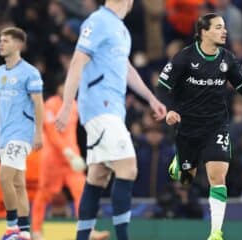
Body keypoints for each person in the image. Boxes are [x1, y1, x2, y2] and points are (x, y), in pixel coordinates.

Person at [55, 0, 167, 239]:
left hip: (112, 109)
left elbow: (125, 68)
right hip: (100, 106)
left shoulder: (121, 30)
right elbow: (77, 61)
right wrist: (66, 105)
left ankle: (82, 237)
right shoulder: (97, 21)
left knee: (98, 175)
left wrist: (150, 98)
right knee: (128, 167)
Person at [161, 13, 242, 240]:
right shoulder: (185, 58)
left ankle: (216, 232)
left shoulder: (228, 59)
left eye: (224, 27)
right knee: (186, 179)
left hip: (216, 125)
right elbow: (162, 86)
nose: (224, 31)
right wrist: (170, 110)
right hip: (189, 125)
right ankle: (181, 161)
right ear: (204, 32)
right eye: (218, 27)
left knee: (217, 177)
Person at [0, 26, 44, 240]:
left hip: (21, 134)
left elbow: (38, 104)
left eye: (6, 40)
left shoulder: (30, 72)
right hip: (4, 135)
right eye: (0, 40)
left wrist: (38, 132)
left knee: (4, 178)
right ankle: (25, 232)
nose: (0, 43)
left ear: (18, 45)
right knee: (18, 184)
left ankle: (12, 227)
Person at [31, 83, 109, 240]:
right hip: (53, 160)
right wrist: (67, 152)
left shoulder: (74, 105)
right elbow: (51, 132)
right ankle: (36, 231)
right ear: (59, 87)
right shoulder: (50, 105)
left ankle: (88, 229)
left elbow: (91, 119)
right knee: (44, 194)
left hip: (72, 161)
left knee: (82, 191)